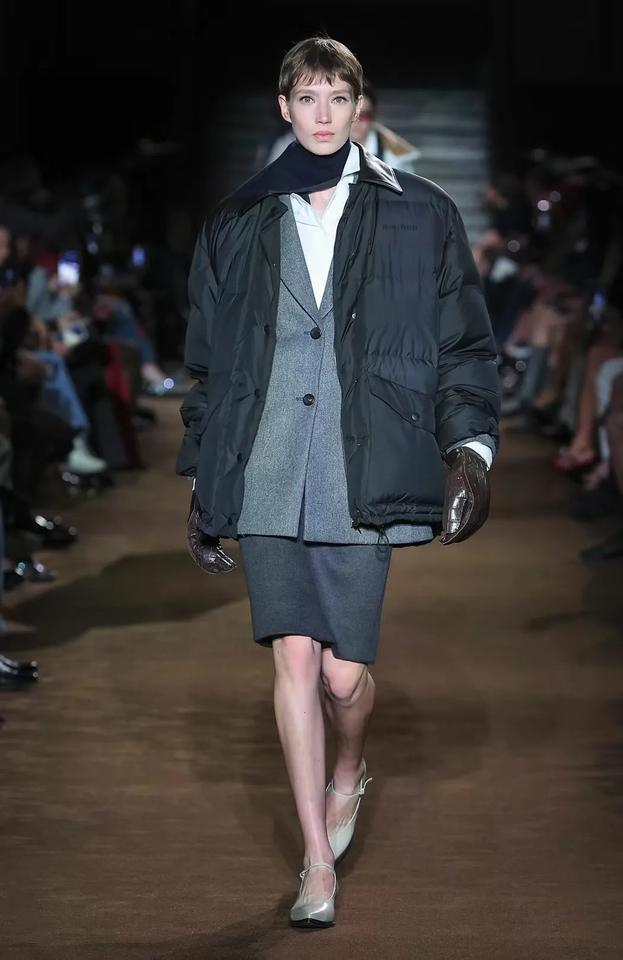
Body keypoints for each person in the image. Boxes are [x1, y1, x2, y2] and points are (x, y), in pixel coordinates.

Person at [178, 36, 500, 928]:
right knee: (292, 656)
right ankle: (316, 862)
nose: (322, 114)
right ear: (284, 107)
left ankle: (350, 766)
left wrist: (470, 448)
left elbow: (463, 340)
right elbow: (211, 359)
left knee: (345, 676)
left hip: (366, 455)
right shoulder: (239, 218)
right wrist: (205, 476)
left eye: (338, 98)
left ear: (361, 108)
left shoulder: (420, 211)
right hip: (269, 456)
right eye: (307, 98)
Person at [265, 80, 419, 173]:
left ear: (373, 117)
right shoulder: (291, 146)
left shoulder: (395, 157)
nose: (356, 121)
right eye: (350, 114)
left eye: (364, 115)